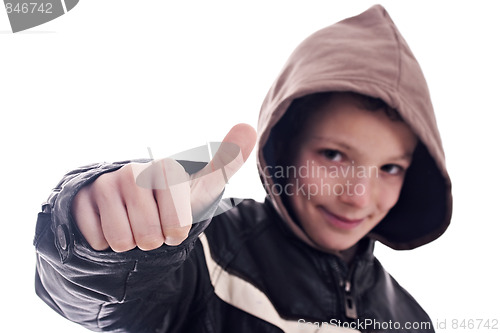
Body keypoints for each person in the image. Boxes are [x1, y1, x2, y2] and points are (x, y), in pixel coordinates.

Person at [33, 5, 452, 333]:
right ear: (284, 148)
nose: (359, 195)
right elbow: (106, 304)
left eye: (390, 167)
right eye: (334, 156)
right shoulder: (205, 250)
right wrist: (99, 241)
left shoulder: (412, 318)